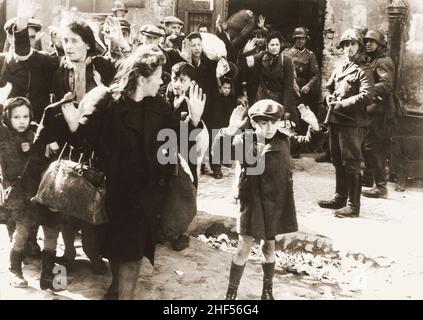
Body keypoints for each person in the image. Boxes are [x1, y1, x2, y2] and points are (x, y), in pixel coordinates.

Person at [61, 44, 206, 300]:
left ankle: (123, 294)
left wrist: (194, 121)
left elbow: (180, 142)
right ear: (141, 78)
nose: (162, 81)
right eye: (159, 76)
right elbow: (83, 141)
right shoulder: (108, 102)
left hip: (146, 194)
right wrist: (74, 124)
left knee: (132, 252)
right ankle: (116, 287)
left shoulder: (158, 106)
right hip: (112, 191)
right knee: (116, 249)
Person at [215, 100, 323, 300]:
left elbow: (311, 144)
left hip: (275, 202)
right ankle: (231, 295)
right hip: (251, 201)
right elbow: (219, 152)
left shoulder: (285, 140)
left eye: (274, 122)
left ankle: (267, 292)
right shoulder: (244, 140)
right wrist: (229, 130)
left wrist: (314, 126)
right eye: (263, 123)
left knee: (269, 246)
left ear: (280, 122)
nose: (269, 128)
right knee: (243, 247)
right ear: (254, 124)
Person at [318, 28, 374, 218]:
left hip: (352, 123)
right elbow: (327, 87)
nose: (349, 48)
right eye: (346, 45)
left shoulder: (364, 70)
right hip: (335, 120)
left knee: (352, 163)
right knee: (337, 160)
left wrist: (343, 103)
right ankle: (340, 198)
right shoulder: (341, 67)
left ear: (359, 47)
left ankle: (353, 206)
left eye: (352, 44)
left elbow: (367, 96)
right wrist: (327, 98)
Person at [0, 97, 42, 287]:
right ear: (8, 117)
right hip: (12, 189)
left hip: (32, 189)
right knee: (20, 230)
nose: (22, 120)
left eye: (25, 116)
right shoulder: (3, 133)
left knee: (30, 225)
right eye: (16, 117)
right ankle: (15, 269)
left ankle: (29, 248)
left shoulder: (35, 132)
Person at [361, 29, 396, 199]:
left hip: (381, 112)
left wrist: (365, 90)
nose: (368, 44)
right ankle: (368, 179)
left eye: (372, 42)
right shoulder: (370, 59)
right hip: (372, 110)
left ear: (380, 44)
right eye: (366, 41)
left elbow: (386, 85)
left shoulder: (383, 61)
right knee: (367, 145)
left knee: (375, 148)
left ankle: (381, 187)